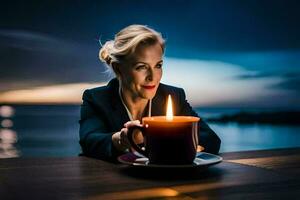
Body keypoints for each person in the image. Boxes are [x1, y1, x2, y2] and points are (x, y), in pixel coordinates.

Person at [79, 24, 221, 162]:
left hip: (171, 180)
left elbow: (210, 139)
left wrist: (168, 145)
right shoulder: (96, 98)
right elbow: (89, 141)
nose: (152, 77)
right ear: (118, 68)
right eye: (141, 67)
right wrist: (120, 140)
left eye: (158, 65)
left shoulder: (173, 96)